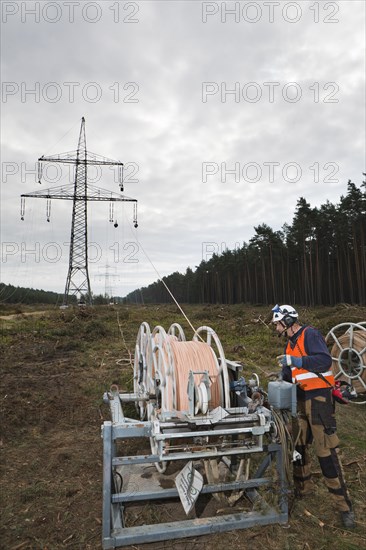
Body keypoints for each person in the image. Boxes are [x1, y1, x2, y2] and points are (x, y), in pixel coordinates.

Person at [271, 304, 355, 529]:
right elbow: (292, 373)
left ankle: (343, 506)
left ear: (288, 321)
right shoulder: (290, 344)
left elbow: (324, 361)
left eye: (278, 323)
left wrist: (297, 362)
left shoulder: (310, 335)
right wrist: (282, 375)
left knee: (325, 451)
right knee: (298, 446)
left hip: (318, 400)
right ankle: (303, 488)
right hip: (299, 399)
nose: (276, 327)